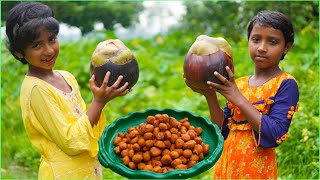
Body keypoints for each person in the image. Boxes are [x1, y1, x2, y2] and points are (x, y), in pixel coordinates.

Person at [6, 2, 130, 179]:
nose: (48, 50)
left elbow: (85, 125)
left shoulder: (67, 77)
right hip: (64, 174)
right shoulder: (35, 89)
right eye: (36, 45)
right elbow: (70, 142)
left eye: (52, 39)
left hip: (87, 171)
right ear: (19, 52)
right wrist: (99, 101)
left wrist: (105, 97)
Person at [184, 10, 299, 179]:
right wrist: (209, 95)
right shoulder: (240, 84)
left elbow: (275, 134)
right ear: (248, 41)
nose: (261, 48)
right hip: (226, 167)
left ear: (286, 47)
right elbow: (221, 132)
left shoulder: (285, 84)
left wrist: (238, 99)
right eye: (256, 39)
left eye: (272, 42)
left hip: (256, 172)